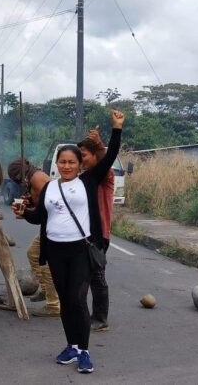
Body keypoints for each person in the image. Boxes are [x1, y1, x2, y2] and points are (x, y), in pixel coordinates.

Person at [14, 109, 124, 374]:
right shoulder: (50, 188)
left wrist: (116, 129)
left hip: (79, 250)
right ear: (57, 164)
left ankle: (84, 351)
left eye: (71, 162)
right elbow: (39, 217)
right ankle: (71, 345)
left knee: (77, 299)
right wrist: (24, 213)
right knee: (65, 300)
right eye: (62, 162)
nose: (66, 166)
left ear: (79, 164)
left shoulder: (88, 181)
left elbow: (108, 157)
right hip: (54, 250)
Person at [7, 158, 61, 317]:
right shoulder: (34, 177)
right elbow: (39, 205)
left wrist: (26, 212)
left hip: (52, 226)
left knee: (46, 264)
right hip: (49, 223)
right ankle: (45, 289)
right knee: (33, 253)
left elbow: (44, 210)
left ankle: (53, 304)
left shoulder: (37, 179)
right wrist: (28, 202)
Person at [78, 127, 115, 332]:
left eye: (83, 155)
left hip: (99, 236)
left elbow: (107, 160)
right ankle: (84, 315)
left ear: (95, 156)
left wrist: (101, 145)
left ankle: (100, 319)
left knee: (97, 276)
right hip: (83, 235)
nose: (80, 160)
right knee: (83, 275)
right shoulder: (82, 178)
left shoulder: (104, 176)